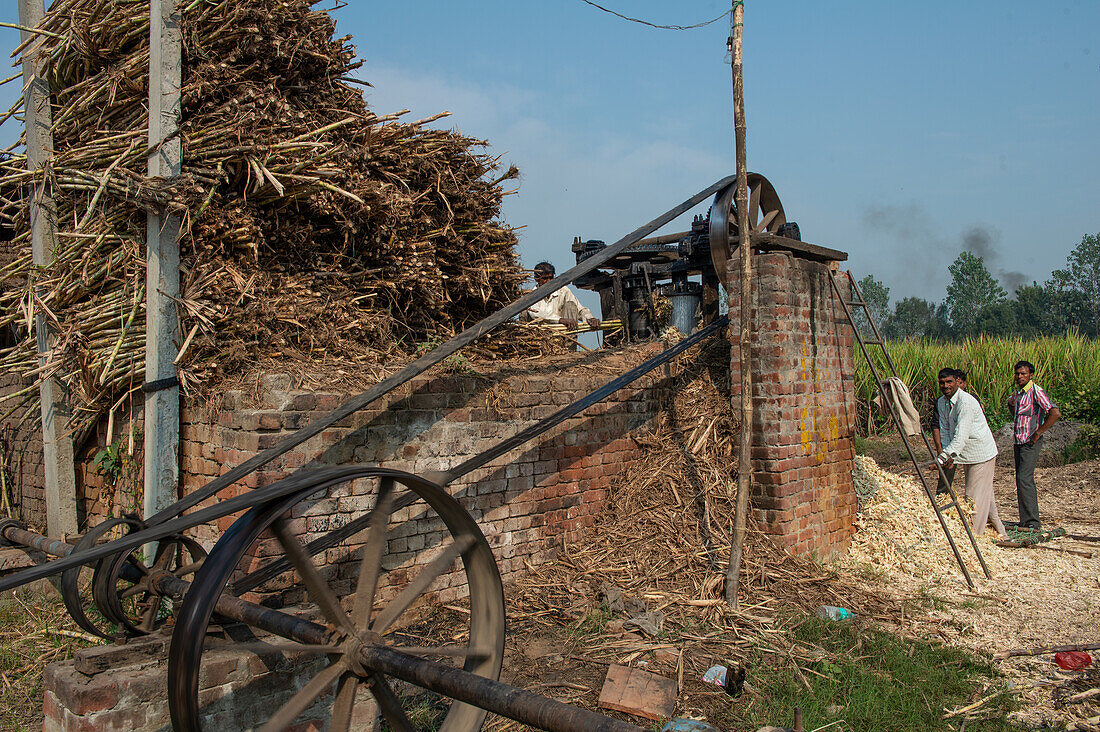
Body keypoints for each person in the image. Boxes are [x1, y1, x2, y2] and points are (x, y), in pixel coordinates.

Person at [935, 368, 1007, 539]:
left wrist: (941, 458)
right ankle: (1002, 534)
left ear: (956, 382)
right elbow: (945, 431)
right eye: (942, 383)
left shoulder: (965, 403)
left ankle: (975, 537)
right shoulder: (941, 402)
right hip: (966, 454)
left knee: (973, 497)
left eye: (949, 382)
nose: (945, 386)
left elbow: (961, 436)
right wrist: (948, 456)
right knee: (985, 496)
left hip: (981, 452)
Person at [1006, 360, 1060, 530]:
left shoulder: (1036, 391)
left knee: (1025, 479)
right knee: (1021, 479)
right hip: (1019, 441)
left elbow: (1054, 412)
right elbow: (1010, 402)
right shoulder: (1019, 393)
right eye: (1017, 374)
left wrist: (1038, 432)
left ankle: (1032, 523)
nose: (1020, 376)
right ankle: (1025, 520)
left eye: (1023, 374)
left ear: (1031, 375)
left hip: (1030, 442)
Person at [523, 261, 600, 331]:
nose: (549, 281)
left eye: (551, 278)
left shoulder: (563, 290)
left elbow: (580, 309)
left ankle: (569, 343)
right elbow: (537, 314)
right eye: (545, 278)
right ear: (536, 278)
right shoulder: (532, 294)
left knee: (571, 305)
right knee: (523, 310)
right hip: (541, 334)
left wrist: (590, 318)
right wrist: (560, 320)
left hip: (563, 332)